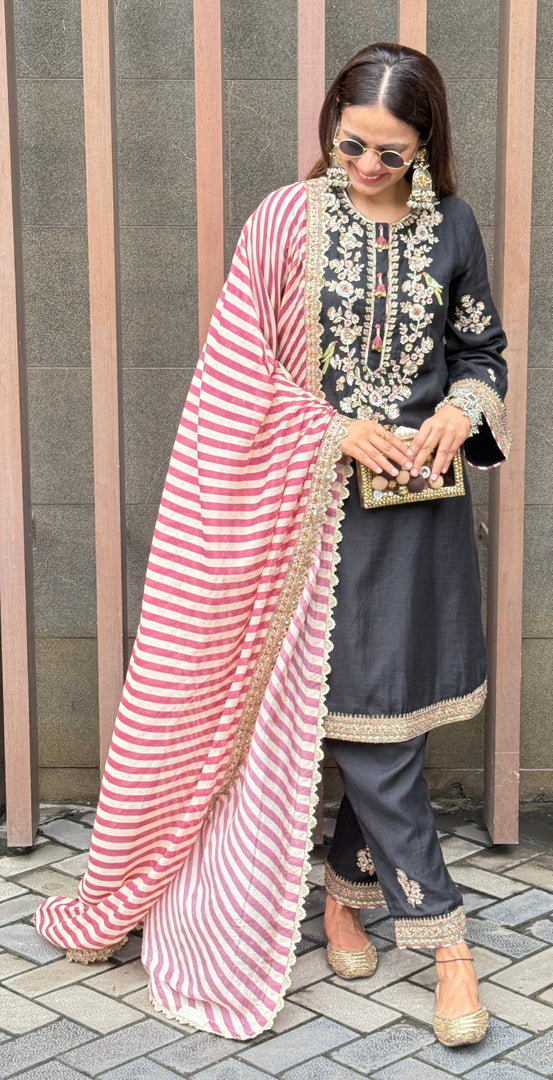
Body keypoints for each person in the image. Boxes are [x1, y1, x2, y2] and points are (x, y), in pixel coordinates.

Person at [33, 42, 509, 1046]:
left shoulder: (452, 227)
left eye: (391, 152)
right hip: (307, 520)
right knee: (365, 730)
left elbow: (482, 351)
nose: (366, 167)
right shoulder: (286, 222)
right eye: (351, 144)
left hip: (419, 511)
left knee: (396, 721)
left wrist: (462, 412)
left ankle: (341, 893)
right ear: (329, 121)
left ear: (427, 148)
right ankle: (445, 940)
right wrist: (334, 429)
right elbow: (237, 372)